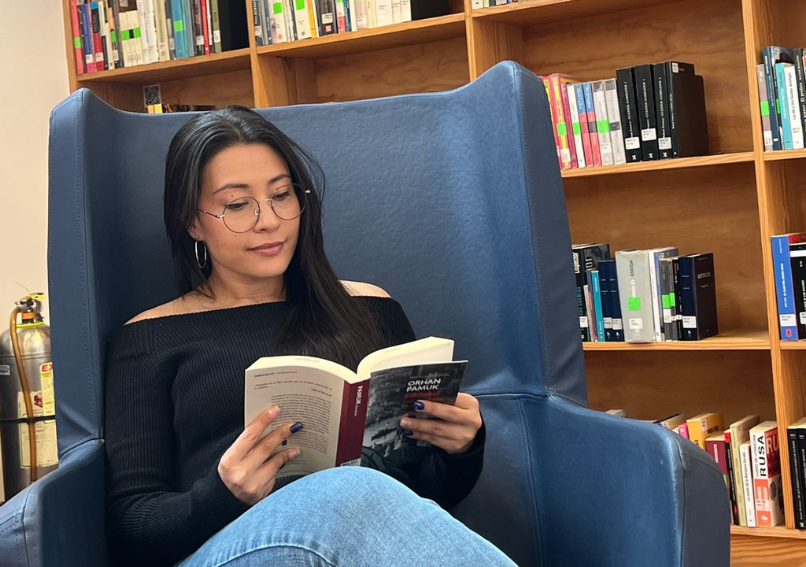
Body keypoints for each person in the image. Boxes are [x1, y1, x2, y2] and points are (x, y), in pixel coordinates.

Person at [104, 106, 517, 567]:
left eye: (282, 194)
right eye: (237, 204)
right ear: (192, 221)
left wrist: (461, 450)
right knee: (345, 489)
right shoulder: (147, 341)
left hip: (355, 541)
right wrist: (221, 495)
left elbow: (422, 497)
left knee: (358, 489)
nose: (269, 220)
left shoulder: (371, 307)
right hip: (228, 549)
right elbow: (130, 526)